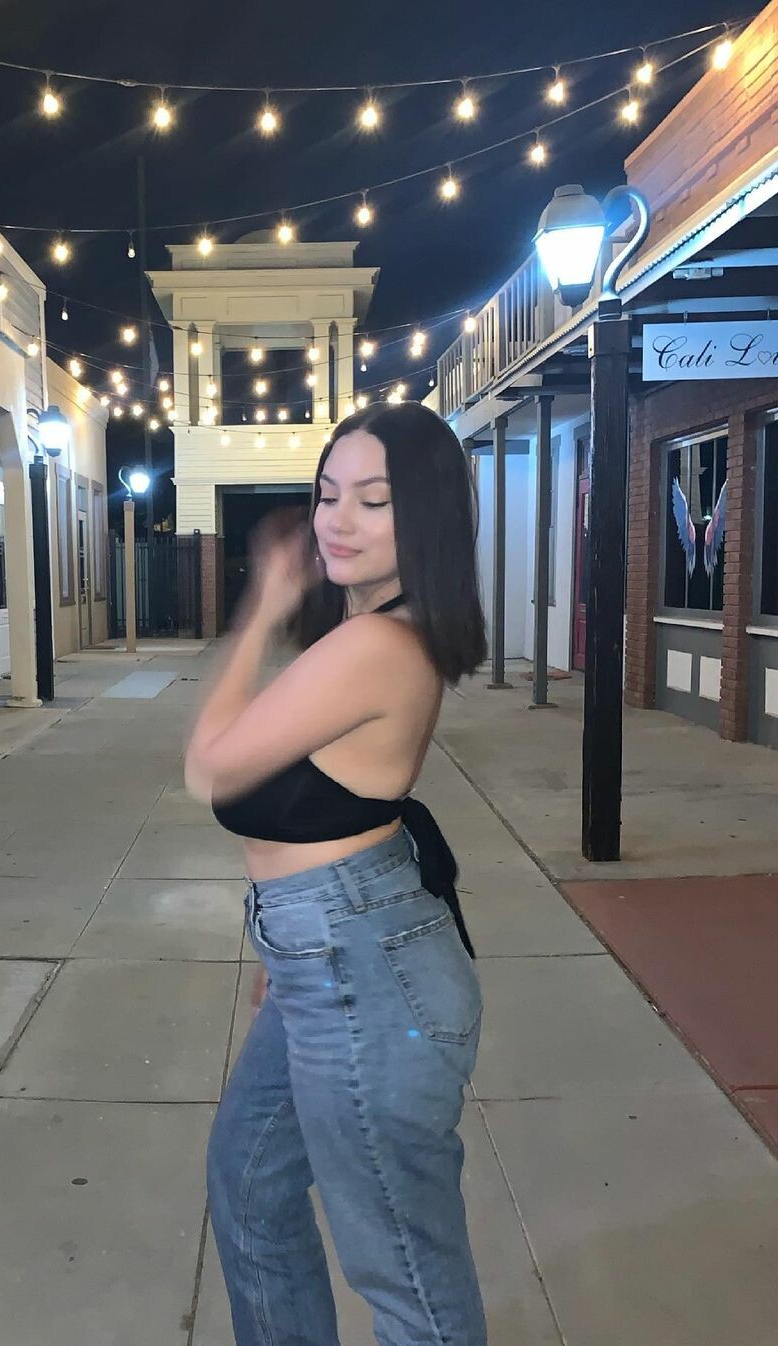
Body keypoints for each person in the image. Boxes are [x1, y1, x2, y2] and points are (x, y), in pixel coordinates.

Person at [183, 401, 488, 1346]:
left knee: (406, 1279)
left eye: (373, 500)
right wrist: (291, 948)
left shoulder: (376, 646)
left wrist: (262, 609)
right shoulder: (373, 630)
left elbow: (211, 768)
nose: (336, 520)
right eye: (327, 494)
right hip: (331, 949)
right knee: (249, 1187)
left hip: (364, 968)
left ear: (425, 515)